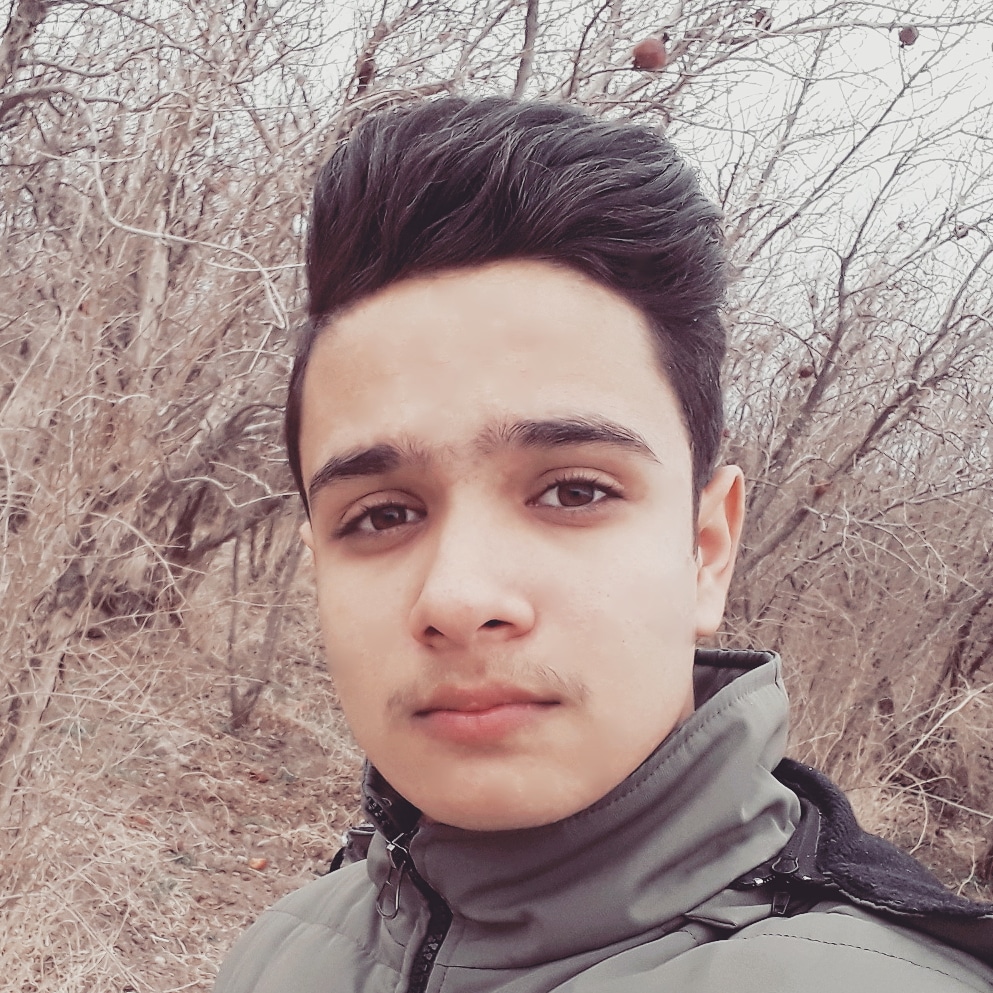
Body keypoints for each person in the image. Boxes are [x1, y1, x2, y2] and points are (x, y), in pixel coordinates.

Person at [214, 97, 993, 993]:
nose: (459, 597)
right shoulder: (281, 949)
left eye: (574, 491)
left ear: (706, 547)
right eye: (382, 515)